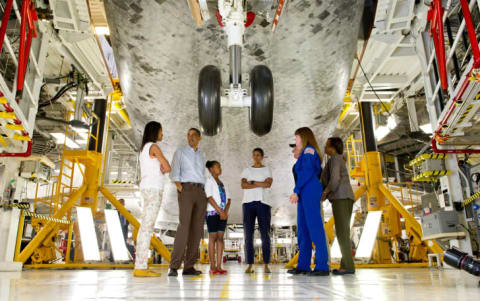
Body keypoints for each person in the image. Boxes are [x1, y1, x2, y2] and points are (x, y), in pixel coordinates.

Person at [288, 127, 329, 276]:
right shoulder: (303, 154)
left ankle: (322, 265)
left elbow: (307, 173)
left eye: (297, 138)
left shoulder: (309, 151)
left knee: (315, 227)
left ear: (304, 137)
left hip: (310, 189)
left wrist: (296, 191)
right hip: (305, 190)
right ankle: (303, 265)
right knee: (303, 230)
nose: (295, 141)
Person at [134, 121, 171, 277]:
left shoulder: (144, 149)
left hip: (146, 187)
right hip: (154, 189)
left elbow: (161, 167)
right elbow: (167, 167)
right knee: (147, 228)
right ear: (155, 132)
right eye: (161, 131)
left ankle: (140, 265)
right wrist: (163, 167)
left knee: (146, 226)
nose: (162, 134)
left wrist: (161, 167)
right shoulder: (154, 147)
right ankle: (140, 267)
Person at [169, 128, 207, 277]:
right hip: (186, 189)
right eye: (188, 135)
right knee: (184, 227)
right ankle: (174, 266)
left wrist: (204, 192)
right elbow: (174, 173)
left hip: (200, 192)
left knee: (197, 230)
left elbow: (203, 174)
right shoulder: (180, 152)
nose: (190, 137)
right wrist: (181, 189)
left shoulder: (202, 155)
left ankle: (189, 266)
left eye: (193, 135)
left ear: (199, 138)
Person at [321, 137, 356, 275]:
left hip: (341, 197)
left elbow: (335, 179)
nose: (325, 147)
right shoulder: (338, 159)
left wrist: (326, 191)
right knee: (343, 232)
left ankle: (348, 266)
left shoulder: (335, 158)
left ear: (332, 147)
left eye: (326, 144)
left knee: (342, 233)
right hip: (345, 197)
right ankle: (346, 264)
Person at [241, 147, 273, 274]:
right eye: (254, 155)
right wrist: (260, 183)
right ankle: (249, 264)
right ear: (252, 156)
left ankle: (266, 264)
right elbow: (243, 185)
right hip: (248, 204)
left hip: (263, 203)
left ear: (262, 156)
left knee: (265, 234)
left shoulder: (267, 170)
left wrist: (252, 182)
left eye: (258, 155)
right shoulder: (246, 170)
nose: (256, 157)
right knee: (248, 235)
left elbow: (268, 184)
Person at [205, 160, 231, 275]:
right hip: (212, 213)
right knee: (212, 237)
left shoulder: (223, 182)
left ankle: (219, 266)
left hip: (223, 214)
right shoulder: (208, 181)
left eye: (220, 166)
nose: (220, 168)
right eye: (217, 167)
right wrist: (220, 211)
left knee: (220, 238)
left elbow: (229, 199)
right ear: (211, 169)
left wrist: (225, 212)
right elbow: (209, 197)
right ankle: (212, 265)